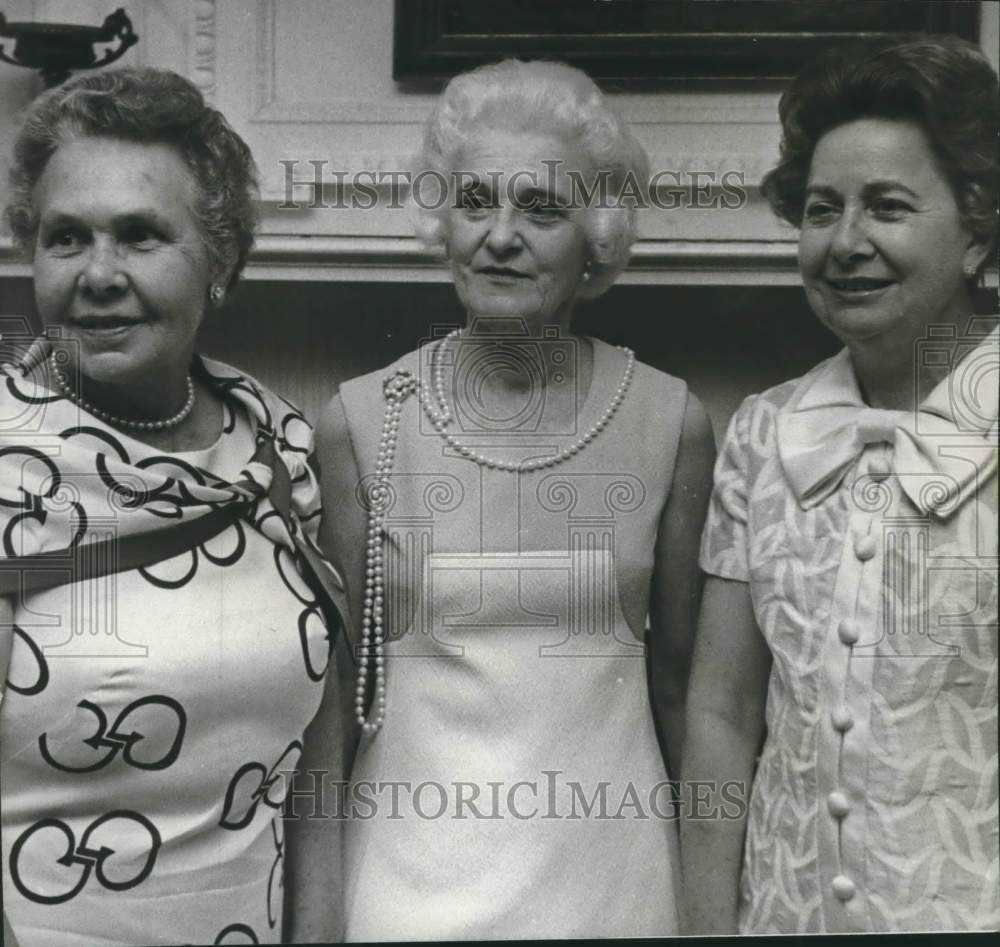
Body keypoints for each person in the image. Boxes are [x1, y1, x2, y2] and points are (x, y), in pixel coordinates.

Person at [315, 58, 715, 939]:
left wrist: (707, 906)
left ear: (596, 241)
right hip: (406, 872)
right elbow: (336, 700)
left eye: (542, 209)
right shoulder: (358, 420)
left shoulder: (670, 420)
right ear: (443, 223)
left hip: (610, 876)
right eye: (476, 202)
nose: (502, 235)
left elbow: (684, 689)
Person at [0, 68, 345, 946]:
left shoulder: (280, 450)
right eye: (66, 237)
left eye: (141, 236)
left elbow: (318, 765)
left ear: (221, 259)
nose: (99, 275)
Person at [681, 35, 998, 934]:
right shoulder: (762, 431)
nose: (845, 244)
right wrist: (707, 925)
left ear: (977, 224)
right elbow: (719, 712)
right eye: (822, 210)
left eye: (887, 207)